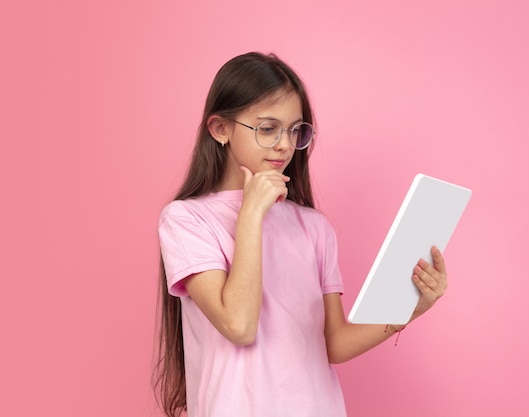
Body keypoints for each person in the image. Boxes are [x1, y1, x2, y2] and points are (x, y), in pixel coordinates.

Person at [153, 52, 448, 417]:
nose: (284, 144)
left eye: (295, 130)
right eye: (267, 128)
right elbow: (239, 325)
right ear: (220, 129)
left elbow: (335, 344)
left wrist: (410, 309)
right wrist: (251, 215)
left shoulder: (313, 227)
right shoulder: (185, 219)